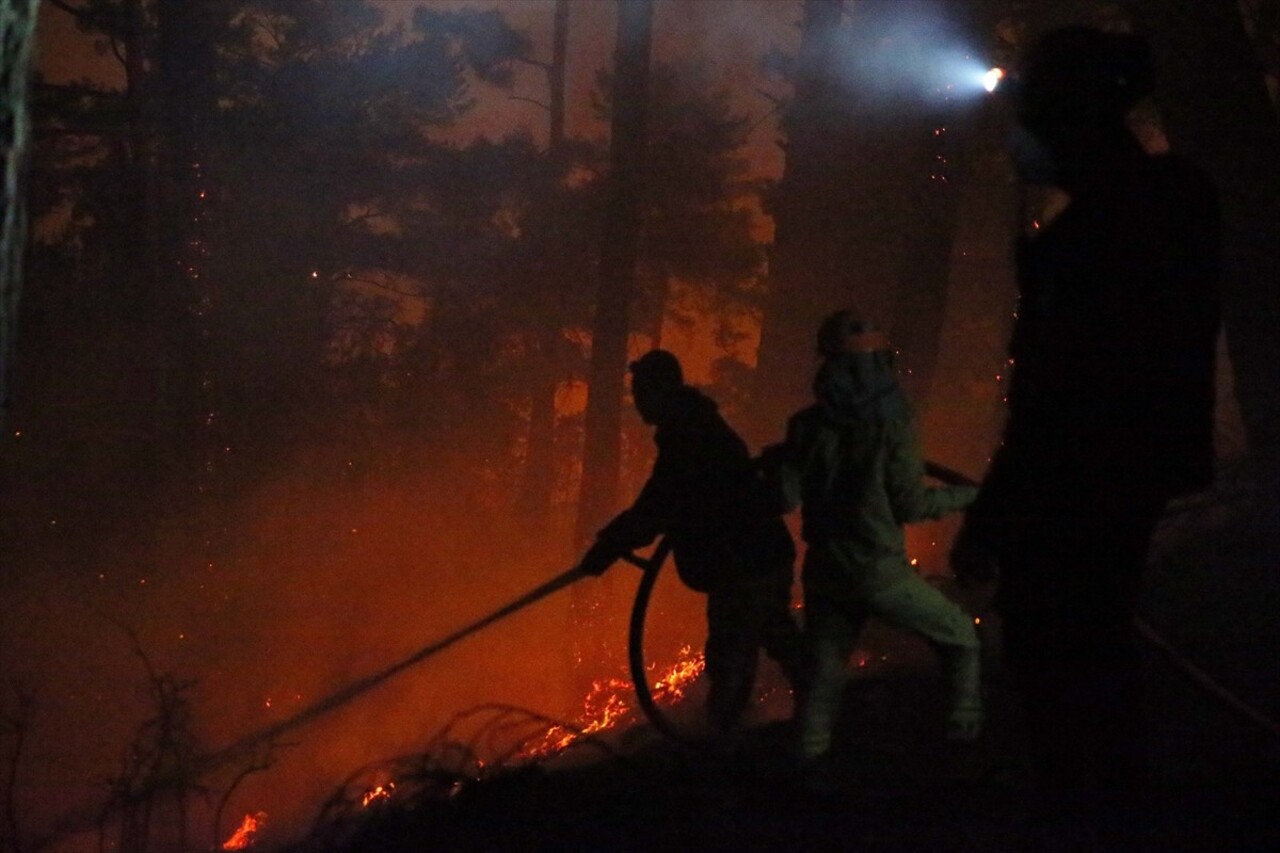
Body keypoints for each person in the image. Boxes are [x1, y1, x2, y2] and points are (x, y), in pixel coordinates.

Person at [950, 25, 1221, 833]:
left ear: (1070, 119)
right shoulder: (1176, 199)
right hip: (1137, 464)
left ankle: (1087, 812)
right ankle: (1113, 805)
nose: (1017, 135)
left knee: (1056, 650)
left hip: (1082, 476)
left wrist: (993, 515)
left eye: (1030, 114)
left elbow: (1053, 396)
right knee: (1095, 649)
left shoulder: (1089, 242)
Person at [765, 311, 982, 783]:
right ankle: (963, 748)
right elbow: (910, 503)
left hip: (825, 570)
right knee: (961, 638)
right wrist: (973, 496)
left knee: (823, 676)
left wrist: (782, 461)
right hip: (878, 571)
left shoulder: (804, 425)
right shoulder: (893, 423)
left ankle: (807, 770)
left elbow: (783, 498)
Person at [579, 349, 805, 735]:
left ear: (662, 391)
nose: (636, 400)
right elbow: (662, 502)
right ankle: (818, 708)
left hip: (744, 562)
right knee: (773, 636)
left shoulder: (691, 435)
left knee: (731, 659)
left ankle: (723, 748)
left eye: (641, 391)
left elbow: (659, 504)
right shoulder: (692, 427)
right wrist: (613, 542)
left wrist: (610, 545)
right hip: (757, 556)